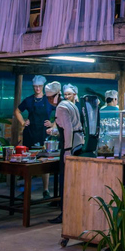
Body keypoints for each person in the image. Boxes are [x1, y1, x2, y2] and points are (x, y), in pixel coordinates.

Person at [45, 83, 84, 224]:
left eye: (50, 98)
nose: (49, 100)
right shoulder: (69, 104)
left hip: (71, 147)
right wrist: (55, 131)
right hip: (78, 144)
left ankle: (65, 212)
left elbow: (68, 129)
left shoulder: (61, 107)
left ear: (55, 96)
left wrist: (67, 151)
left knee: (65, 181)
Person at [15, 76, 55, 199]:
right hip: (30, 133)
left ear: (43, 87)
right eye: (35, 87)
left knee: (44, 161)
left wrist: (53, 124)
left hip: (44, 133)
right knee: (29, 161)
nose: (37, 89)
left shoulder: (49, 100)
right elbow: (17, 111)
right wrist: (23, 123)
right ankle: (26, 190)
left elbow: (60, 111)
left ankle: (46, 190)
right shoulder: (28, 100)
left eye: (39, 87)